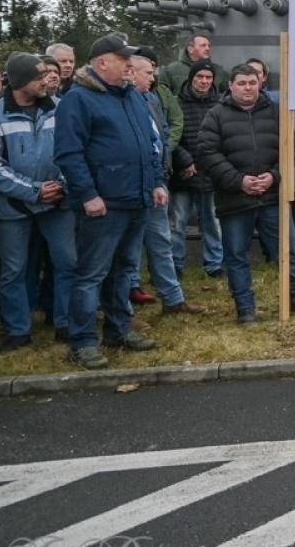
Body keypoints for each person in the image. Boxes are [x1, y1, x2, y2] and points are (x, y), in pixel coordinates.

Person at [53, 33, 165, 369]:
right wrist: (88, 195)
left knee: (124, 270)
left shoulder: (130, 95)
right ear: (102, 63)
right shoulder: (79, 99)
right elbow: (69, 154)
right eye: (123, 60)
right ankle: (83, 341)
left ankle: (118, 329)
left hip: (137, 199)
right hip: (103, 204)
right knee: (91, 274)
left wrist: (157, 182)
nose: (130, 66)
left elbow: (149, 141)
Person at [197, 64, 295, 323]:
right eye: (242, 83)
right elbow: (207, 153)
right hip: (234, 200)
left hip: (272, 198)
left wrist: (274, 176)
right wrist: (239, 181)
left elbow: (291, 146)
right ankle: (245, 309)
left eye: (252, 82)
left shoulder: (276, 113)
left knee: (288, 249)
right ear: (231, 86)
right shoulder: (215, 115)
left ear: (260, 84)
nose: (248, 87)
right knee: (236, 254)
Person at [0, 53, 76, 350]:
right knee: (14, 269)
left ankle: (66, 322)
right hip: (11, 209)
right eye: (38, 78)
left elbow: (74, 149)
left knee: (67, 262)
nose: (47, 81)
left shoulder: (60, 109)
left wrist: (61, 186)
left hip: (58, 203)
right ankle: (17, 329)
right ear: (20, 83)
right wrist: (33, 190)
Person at [127, 50, 201, 317]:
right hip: (131, 187)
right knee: (129, 247)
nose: (153, 77)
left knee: (161, 240)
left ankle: (172, 298)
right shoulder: (122, 102)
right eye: (148, 73)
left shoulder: (152, 99)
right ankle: (126, 303)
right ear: (131, 72)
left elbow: (164, 133)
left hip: (157, 182)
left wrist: (163, 172)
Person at [170, 59, 223, 278]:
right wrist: (184, 160)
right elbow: (171, 135)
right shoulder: (176, 103)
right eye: (199, 77)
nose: (203, 81)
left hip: (211, 174)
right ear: (191, 79)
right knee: (177, 222)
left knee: (212, 221)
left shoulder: (220, 104)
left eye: (208, 78)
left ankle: (214, 264)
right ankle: (175, 265)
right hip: (183, 173)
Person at [158, 31, 212, 95]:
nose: (207, 48)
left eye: (209, 46)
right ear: (190, 49)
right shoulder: (171, 70)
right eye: (203, 45)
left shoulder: (218, 71)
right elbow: (162, 95)